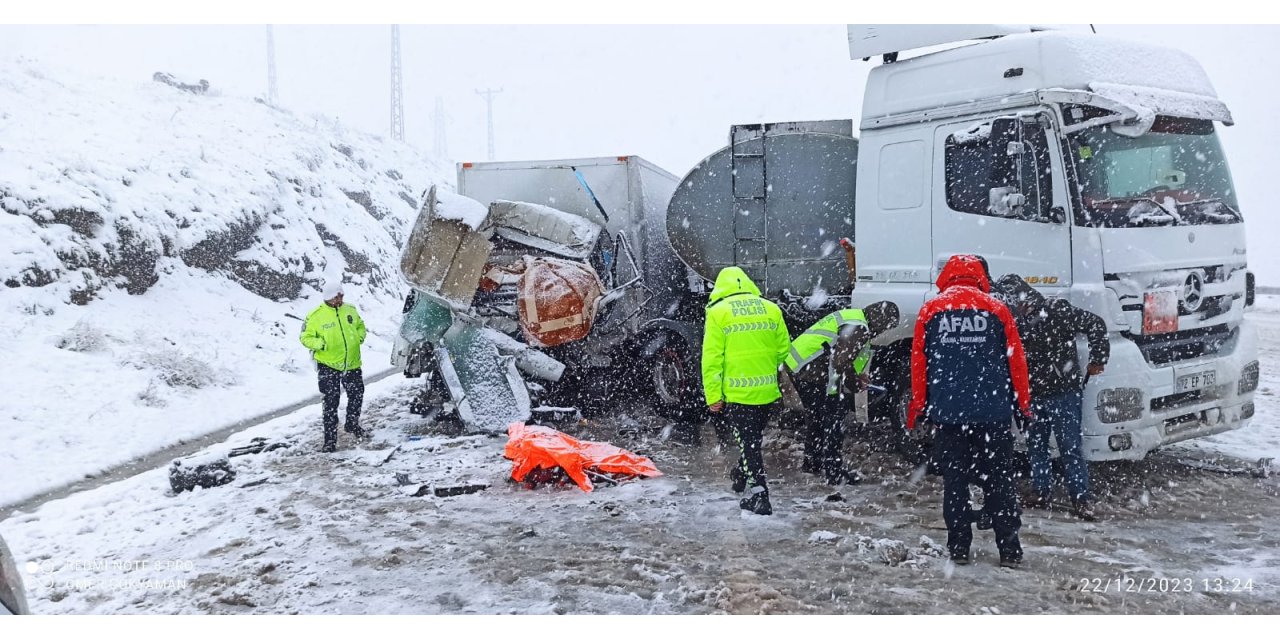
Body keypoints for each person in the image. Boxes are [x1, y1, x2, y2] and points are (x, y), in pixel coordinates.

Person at [907, 255, 1032, 568]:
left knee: (955, 484)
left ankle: (959, 548)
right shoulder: (997, 309)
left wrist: (919, 408)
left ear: (947, 276)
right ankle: (1010, 551)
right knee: (1001, 482)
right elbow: (1016, 363)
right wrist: (1022, 406)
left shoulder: (930, 310)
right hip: (993, 415)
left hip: (949, 418)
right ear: (979, 277)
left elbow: (919, 366)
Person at [993, 274, 1109, 521]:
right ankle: (1041, 491)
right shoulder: (1014, 320)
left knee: (1070, 447)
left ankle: (1080, 497)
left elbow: (1096, 324)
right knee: (1036, 445)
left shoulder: (1056, 310)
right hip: (1034, 395)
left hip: (1063, 393)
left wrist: (1099, 359)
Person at [701, 266, 792, 516]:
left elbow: (711, 360)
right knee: (751, 442)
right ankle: (741, 475)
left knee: (749, 444)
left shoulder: (718, 313)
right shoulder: (771, 309)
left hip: (739, 395)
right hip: (766, 392)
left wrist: (714, 397)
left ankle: (760, 496)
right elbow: (784, 351)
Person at [778, 302, 900, 485]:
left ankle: (813, 464)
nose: (883, 332)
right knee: (833, 420)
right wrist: (853, 383)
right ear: (881, 322)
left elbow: (844, 356)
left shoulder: (853, 316)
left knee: (817, 417)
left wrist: (857, 376)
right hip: (811, 371)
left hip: (801, 366)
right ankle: (833, 471)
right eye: (886, 327)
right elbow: (841, 361)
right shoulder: (859, 327)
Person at [300, 280, 368, 453]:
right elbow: (305, 337)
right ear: (328, 297)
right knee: (331, 403)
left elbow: (360, 326)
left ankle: (352, 424)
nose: (340, 299)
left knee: (356, 395)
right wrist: (320, 344)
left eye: (341, 295)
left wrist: (359, 337)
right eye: (337, 296)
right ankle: (330, 440)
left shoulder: (350, 310)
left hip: (352, 364)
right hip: (328, 366)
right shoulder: (315, 316)